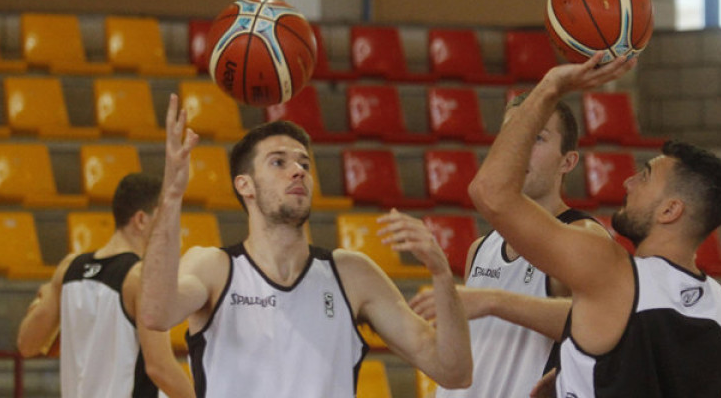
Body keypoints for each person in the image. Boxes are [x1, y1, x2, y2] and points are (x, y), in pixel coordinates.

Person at [139, 94, 472, 398]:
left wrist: (441, 273)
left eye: (304, 164)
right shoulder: (214, 268)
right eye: (278, 162)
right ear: (245, 185)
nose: (298, 171)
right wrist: (171, 196)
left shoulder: (352, 274)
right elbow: (155, 312)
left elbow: (454, 371)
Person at [468, 52, 721, 398]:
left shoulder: (608, 269)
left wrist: (551, 87)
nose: (629, 183)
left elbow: (490, 192)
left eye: (644, 178)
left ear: (670, 210)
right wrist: (573, 370)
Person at [409, 94, 611, 398]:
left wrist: (494, 301)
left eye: (536, 137)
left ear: (567, 161)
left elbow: (605, 324)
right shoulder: (481, 248)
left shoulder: (583, 235)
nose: (518, 149)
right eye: (511, 136)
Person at [17, 173, 195, 398]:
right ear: (141, 220)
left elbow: (27, 344)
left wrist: (39, 305)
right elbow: (160, 368)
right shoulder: (141, 278)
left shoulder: (68, 269)